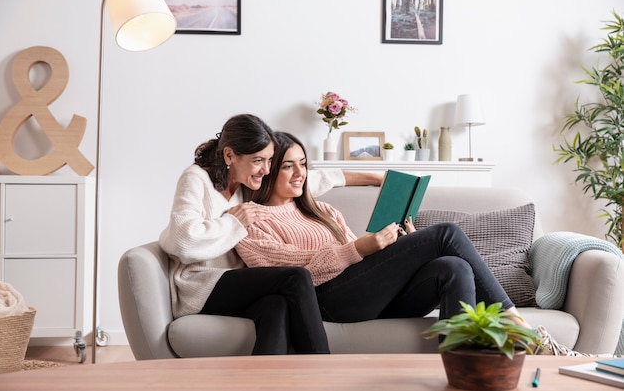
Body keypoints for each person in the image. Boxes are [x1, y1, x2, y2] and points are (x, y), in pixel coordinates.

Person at [235, 131, 533, 328]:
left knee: (452, 267)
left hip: (371, 296)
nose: (300, 173)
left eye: (303, 164)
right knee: (446, 234)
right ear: (268, 170)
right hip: (326, 301)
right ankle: (519, 327)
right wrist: (359, 248)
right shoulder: (252, 220)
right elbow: (290, 275)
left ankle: (459, 366)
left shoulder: (324, 210)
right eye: (288, 166)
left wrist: (401, 246)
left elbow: (362, 262)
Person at [159, 114, 382, 355]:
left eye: (269, 160)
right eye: (258, 161)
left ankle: (264, 382)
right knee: (295, 278)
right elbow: (183, 240)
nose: (266, 169)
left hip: (243, 283)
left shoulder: (248, 182)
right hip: (202, 283)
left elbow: (314, 179)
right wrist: (234, 222)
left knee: (277, 306)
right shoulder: (196, 178)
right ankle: (321, 369)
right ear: (229, 155)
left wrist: (376, 177)